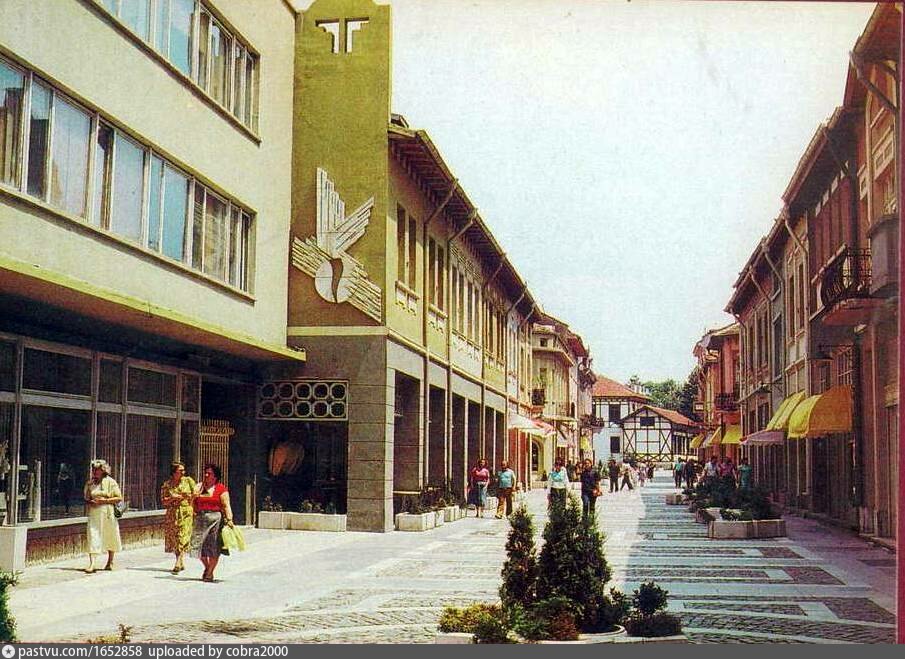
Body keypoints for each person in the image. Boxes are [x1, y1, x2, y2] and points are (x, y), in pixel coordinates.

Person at [191, 463, 234, 582]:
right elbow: (191, 503)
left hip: (215, 519)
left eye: (209, 473)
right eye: (205, 473)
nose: (206, 475)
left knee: (214, 546)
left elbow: (226, 505)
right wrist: (194, 496)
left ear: (215, 476)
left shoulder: (221, 489)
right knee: (197, 545)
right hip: (200, 519)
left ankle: (210, 572)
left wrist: (229, 519)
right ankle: (207, 567)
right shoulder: (199, 487)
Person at [84, 459, 123, 574]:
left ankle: (110, 561)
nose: (95, 472)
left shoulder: (111, 482)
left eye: (97, 470)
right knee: (93, 535)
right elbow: (86, 498)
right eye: (94, 470)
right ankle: (92, 564)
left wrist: (104, 501)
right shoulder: (90, 483)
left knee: (110, 535)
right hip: (94, 513)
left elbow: (119, 497)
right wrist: (90, 502)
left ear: (103, 470)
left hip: (108, 513)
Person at [160, 462, 196, 574]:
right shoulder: (167, 485)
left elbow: (196, 495)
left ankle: (178, 561)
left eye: (183, 470)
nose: (183, 472)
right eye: (180, 471)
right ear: (174, 472)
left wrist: (188, 498)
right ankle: (180, 560)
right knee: (175, 538)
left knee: (182, 536)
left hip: (185, 512)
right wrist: (172, 498)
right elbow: (163, 501)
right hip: (172, 513)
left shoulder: (188, 481)